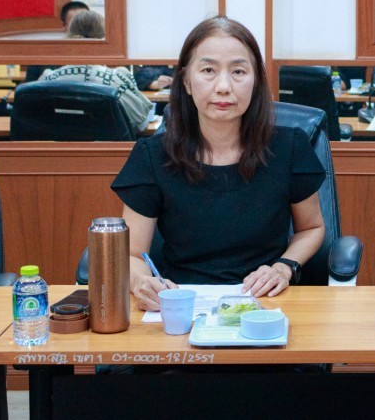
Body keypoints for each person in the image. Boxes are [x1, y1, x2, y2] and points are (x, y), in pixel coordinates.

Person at [111, 16, 326, 311]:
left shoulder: (289, 147)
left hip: (266, 304)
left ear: (256, 81)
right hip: (181, 307)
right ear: (186, 81)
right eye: (208, 70)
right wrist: (142, 283)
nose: (223, 87)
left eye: (238, 71)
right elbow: (131, 255)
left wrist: (283, 267)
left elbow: (311, 228)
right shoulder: (152, 156)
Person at [38, 11, 153, 133]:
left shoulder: (47, 80)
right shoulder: (116, 80)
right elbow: (141, 124)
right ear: (105, 41)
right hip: (109, 145)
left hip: (58, 145)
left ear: (69, 37)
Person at [24, 1, 91, 82]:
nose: (81, 29)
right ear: (63, 25)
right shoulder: (43, 57)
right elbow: (29, 87)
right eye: (74, 25)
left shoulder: (100, 54)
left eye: (85, 23)